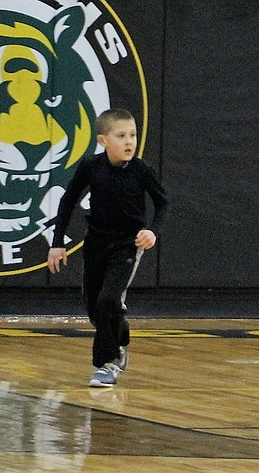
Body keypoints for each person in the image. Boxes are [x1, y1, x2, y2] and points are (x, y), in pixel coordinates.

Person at [47, 108, 169, 388]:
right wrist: (57, 244)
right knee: (94, 309)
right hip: (96, 243)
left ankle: (108, 363)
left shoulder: (141, 171)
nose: (129, 142)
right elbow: (67, 201)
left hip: (127, 244)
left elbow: (162, 203)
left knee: (108, 301)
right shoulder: (91, 166)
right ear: (103, 140)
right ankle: (120, 336)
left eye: (133, 135)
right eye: (121, 136)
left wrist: (152, 231)